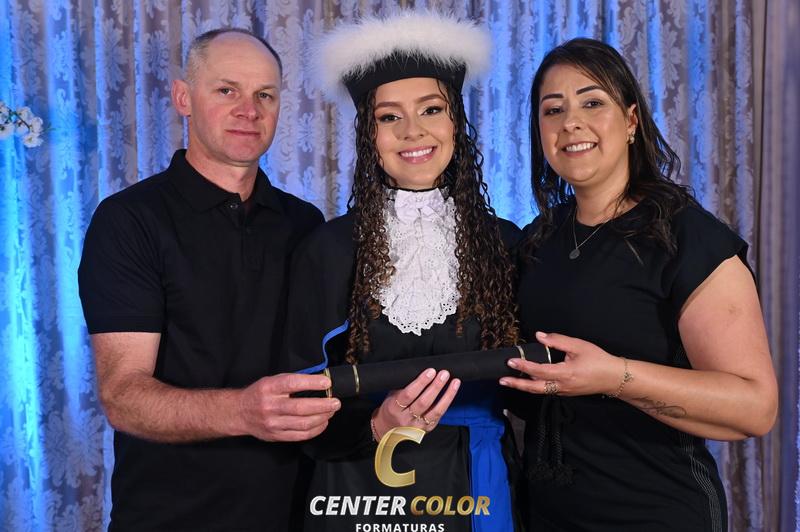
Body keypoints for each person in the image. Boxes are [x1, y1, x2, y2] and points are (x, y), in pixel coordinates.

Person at [499, 37, 779, 531]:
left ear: (631, 121)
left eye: (592, 102)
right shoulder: (537, 240)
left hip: (657, 512)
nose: (571, 123)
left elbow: (755, 409)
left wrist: (615, 376)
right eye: (553, 110)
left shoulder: (686, 237)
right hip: (548, 514)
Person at [78, 28, 341, 532]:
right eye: (227, 90)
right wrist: (243, 411)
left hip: (296, 513)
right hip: (169, 518)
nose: (249, 110)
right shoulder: (129, 221)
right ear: (184, 98)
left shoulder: (306, 223)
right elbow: (123, 397)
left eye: (265, 95)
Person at [283, 11, 522, 532]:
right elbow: (297, 398)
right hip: (358, 486)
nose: (413, 131)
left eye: (431, 109)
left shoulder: (506, 243)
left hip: (476, 479)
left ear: (455, 122)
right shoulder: (327, 249)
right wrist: (374, 423)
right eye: (390, 117)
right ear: (369, 135)